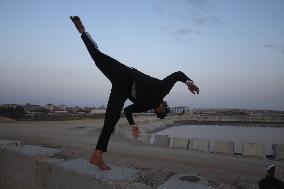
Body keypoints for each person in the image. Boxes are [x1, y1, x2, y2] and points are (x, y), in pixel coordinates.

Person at [70, 16, 199, 170]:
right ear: (164, 105)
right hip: (124, 73)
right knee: (97, 57)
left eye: (158, 112)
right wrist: (189, 82)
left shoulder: (145, 105)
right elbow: (177, 74)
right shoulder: (163, 90)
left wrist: (133, 126)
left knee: (111, 119)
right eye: (161, 109)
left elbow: (128, 110)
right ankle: (83, 31)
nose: (159, 109)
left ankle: (97, 155)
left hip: (121, 88)